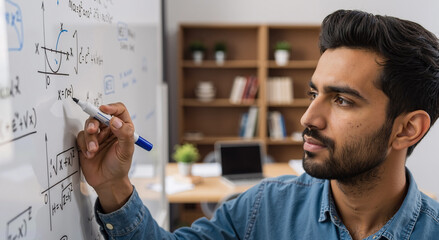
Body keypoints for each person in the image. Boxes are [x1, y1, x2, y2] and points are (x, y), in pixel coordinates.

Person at [76, 9, 439, 240]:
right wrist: (113, 185)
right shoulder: (261, 210)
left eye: (342, 100)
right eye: (314, 93)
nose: (308, 118)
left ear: (407, 129)